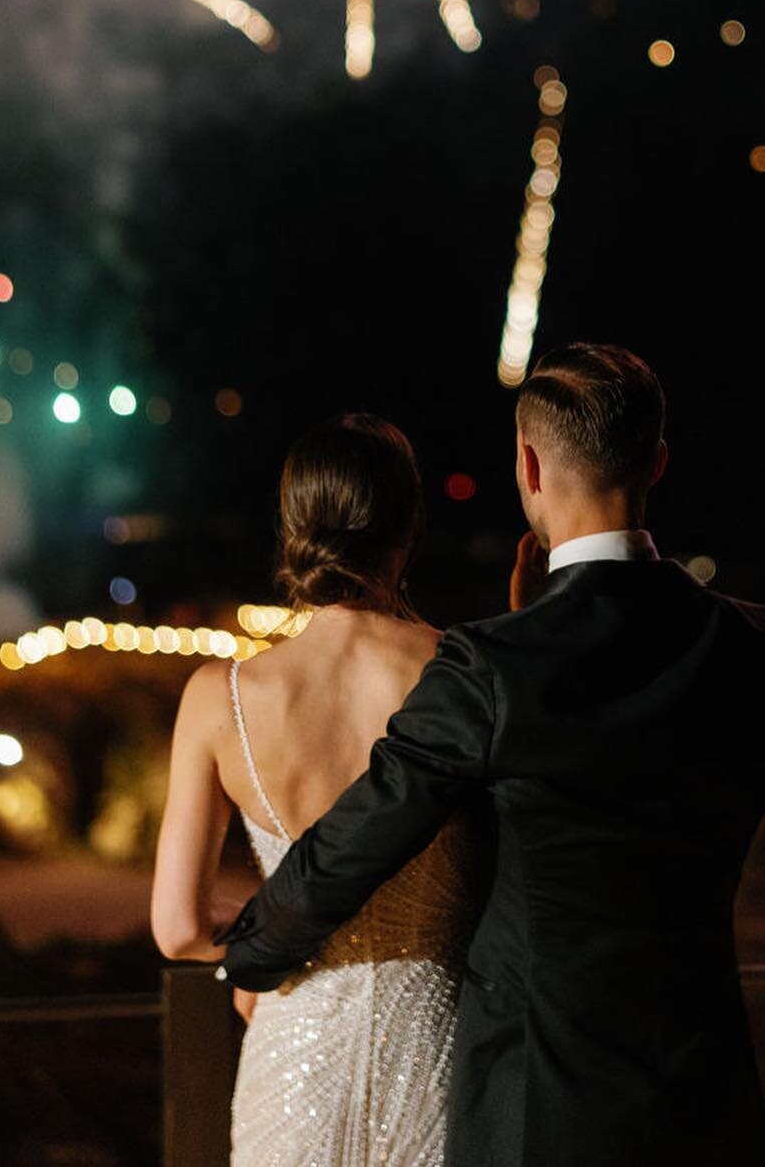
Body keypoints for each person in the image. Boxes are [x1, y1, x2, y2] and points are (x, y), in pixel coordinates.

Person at [221, 343, 765, 1166]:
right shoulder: (761, 653)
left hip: (531, 1110)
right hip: (700, 1098)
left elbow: (355, 841)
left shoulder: (490, 667)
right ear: (657, 463)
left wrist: (249, 953)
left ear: (528, 468)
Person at [151, 414, 477, 1167]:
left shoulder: (221, 695)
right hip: (438, 1049)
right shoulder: (462, 670)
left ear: (294, 528)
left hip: (293, 1047)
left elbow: (176, 928)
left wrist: (263, 933)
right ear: (409, 526)